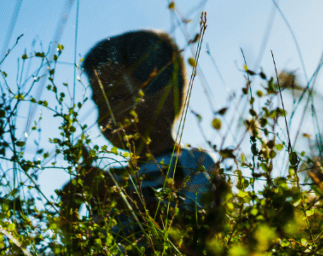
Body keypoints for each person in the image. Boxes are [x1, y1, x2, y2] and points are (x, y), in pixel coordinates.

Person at [58, 30, 223, 253]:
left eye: (116, 97)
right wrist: (69, 210)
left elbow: (192, 236)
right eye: (99, 103)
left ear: (164, 96)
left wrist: (117, 197)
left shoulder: (192, 163)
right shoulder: (113, 178)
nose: (106, 114)